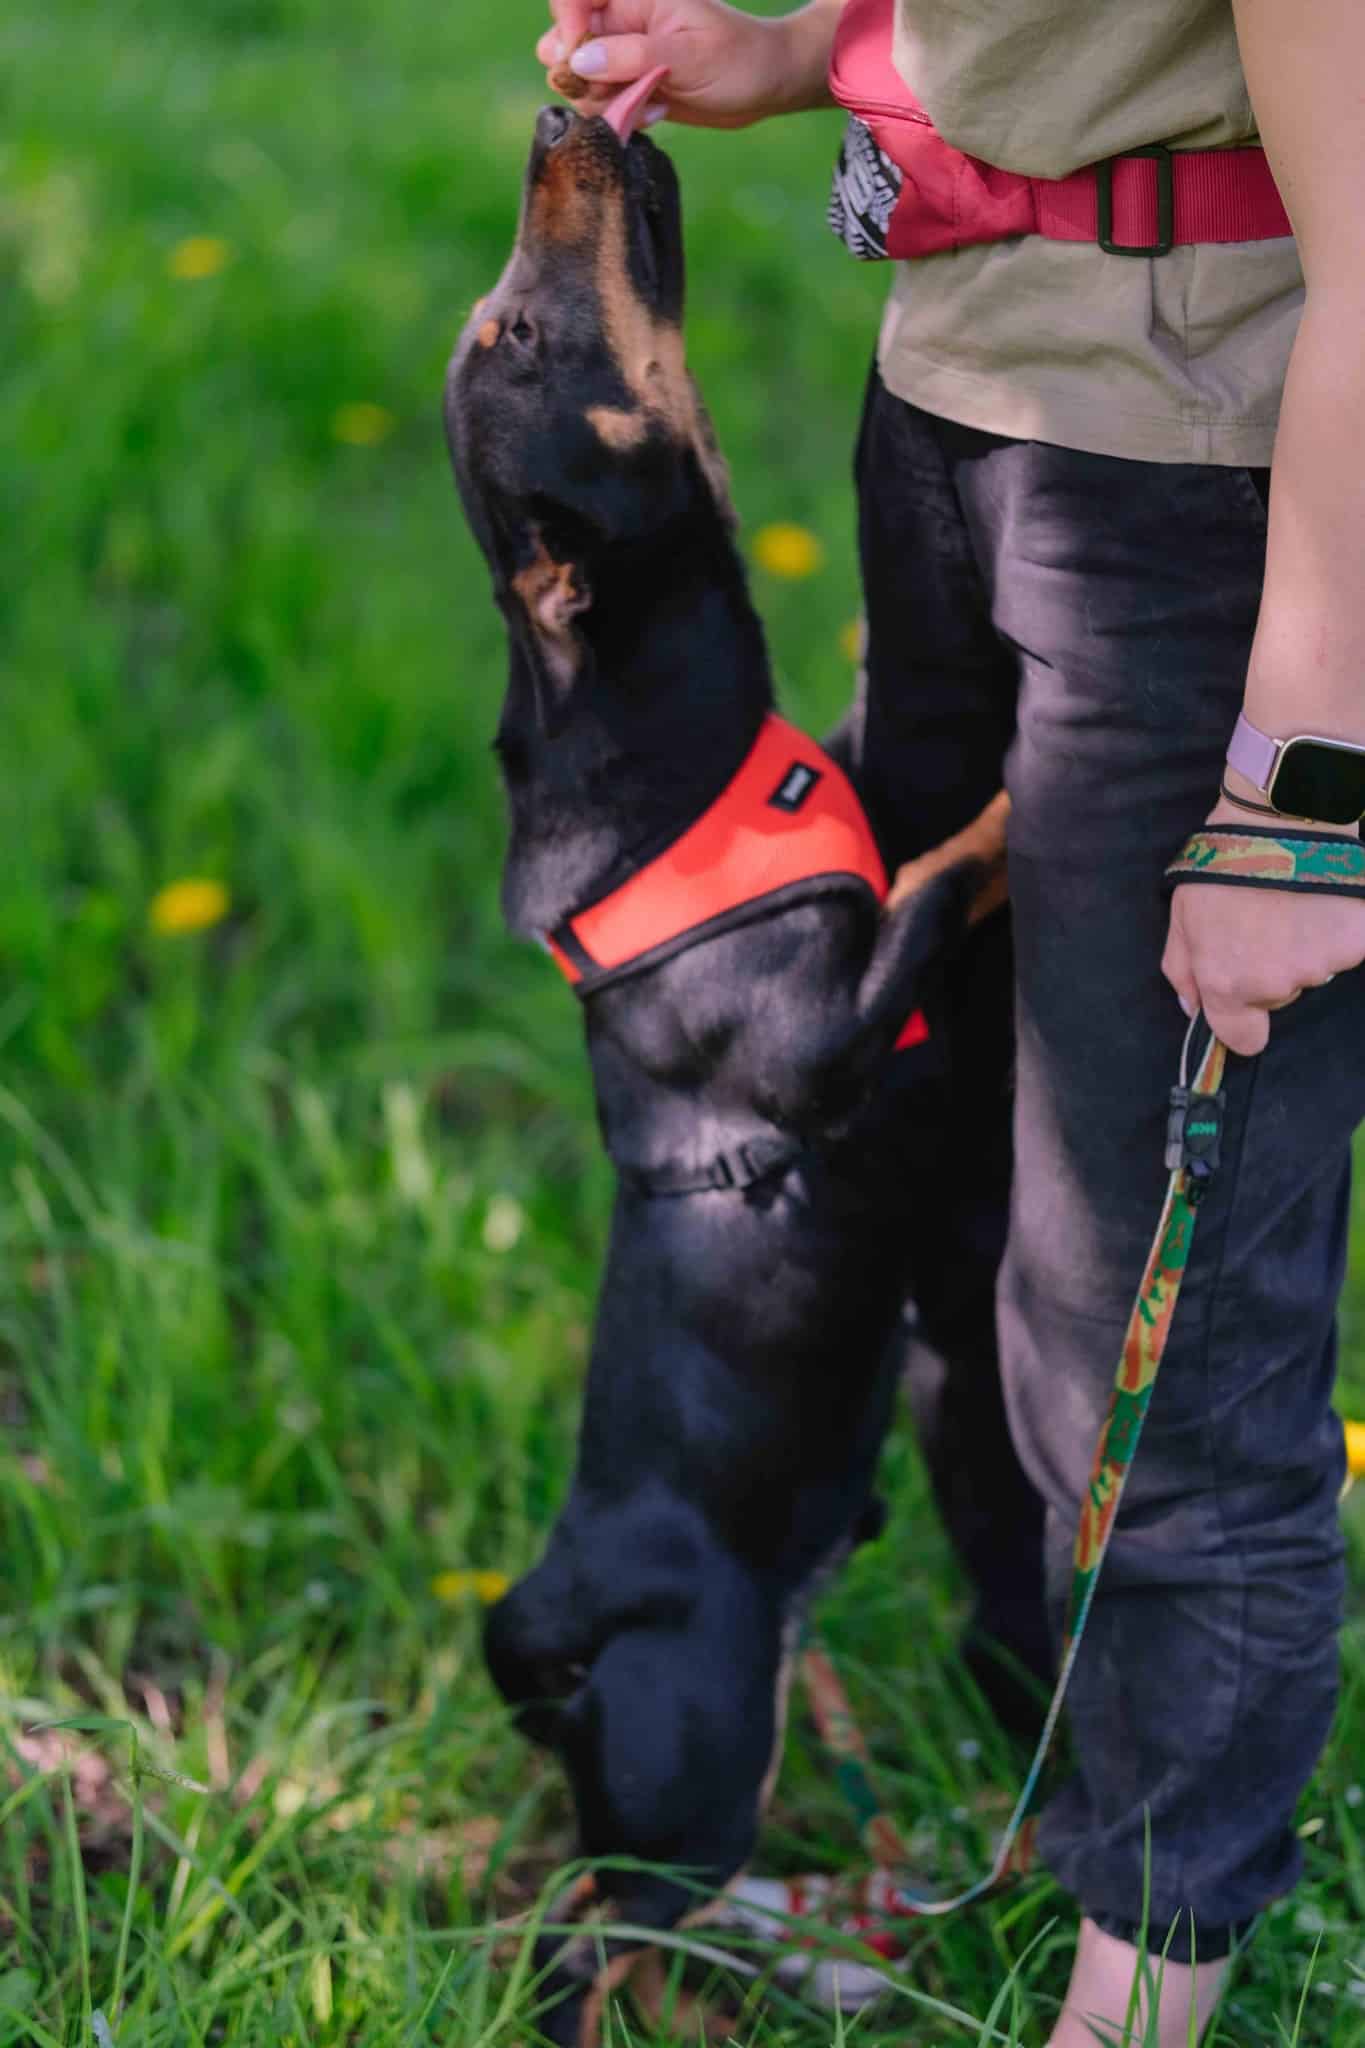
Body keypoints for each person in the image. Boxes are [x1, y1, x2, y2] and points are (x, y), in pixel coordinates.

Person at [534, 3, 1365, 2041]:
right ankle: (1039, 1817)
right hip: (958, 413)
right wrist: (798, 52)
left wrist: (1302, 793)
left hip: (1206, 503)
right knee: (968, 1200)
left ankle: (1132, 1996)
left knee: (1152, 1326)